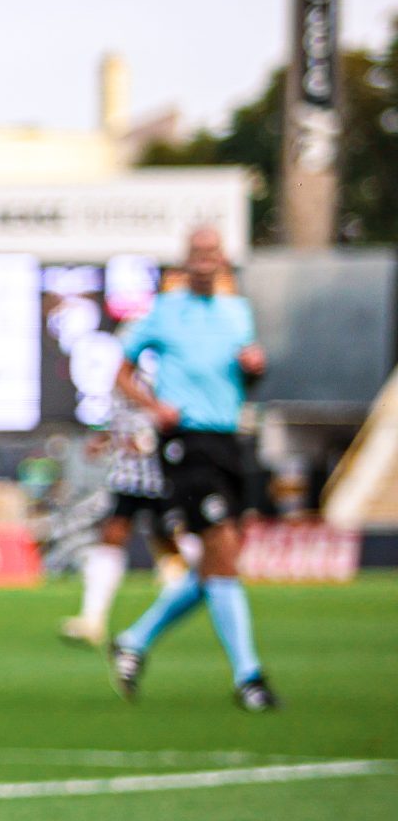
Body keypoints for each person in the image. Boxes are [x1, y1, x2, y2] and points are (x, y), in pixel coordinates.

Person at [108, 227, 275, 709]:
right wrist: (154, 406)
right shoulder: (164, 311)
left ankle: (134, 640)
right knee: (220, 545)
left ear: (223, 258)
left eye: (212, 252)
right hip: (187, 443)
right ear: (187, 259)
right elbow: (120, 371)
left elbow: (248, 377)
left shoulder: (236, 311)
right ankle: (250, 677)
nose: (205, 260)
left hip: (229, 440)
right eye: (196, 253)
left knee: (217, 565)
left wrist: (255, 367)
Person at [60, 378, 193, 650]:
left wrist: (148, 442)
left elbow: (170, 420)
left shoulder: (158, 375)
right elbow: (122, 423)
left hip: (158, 478)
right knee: (114, 535)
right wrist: (104, 440)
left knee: (169, 544)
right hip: (128, 478)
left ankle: (186, 602)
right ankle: (93, 619)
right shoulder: (123, 384)